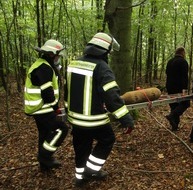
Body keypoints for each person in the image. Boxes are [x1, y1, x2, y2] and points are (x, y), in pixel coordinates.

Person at [64, 32, 134, 187]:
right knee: (107, 140)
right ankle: (91, 170)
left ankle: (80, 179)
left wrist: (68, 114)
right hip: (94, 120)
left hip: (75, 119)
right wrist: (126, 119)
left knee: (81, 148)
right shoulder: (102, 68)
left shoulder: (73, 64)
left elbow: (67, 92)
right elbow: (112, 97)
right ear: (105, 50)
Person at [24, 39, 68, 171]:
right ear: (51, 54)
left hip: (39, 108)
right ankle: (45, 156)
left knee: (45, 133)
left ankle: (44, 165)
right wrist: (56, 108)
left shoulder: (41, 65)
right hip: (41, 108)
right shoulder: (44, 68)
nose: (58, 58)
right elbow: (48, 94)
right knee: (62, 129)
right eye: (58, 55)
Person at [165, 47, 190, 131]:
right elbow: (184, 77)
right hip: (179, 87)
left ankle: (175, 126)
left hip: (169, 86)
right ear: (182, 53)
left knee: (174, 105)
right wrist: (185, 89)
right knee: (186, 103)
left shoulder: (170, 61)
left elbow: (167, 73)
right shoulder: (183, 62)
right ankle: (172, 116)